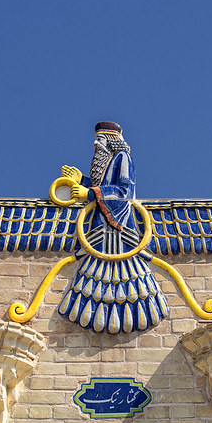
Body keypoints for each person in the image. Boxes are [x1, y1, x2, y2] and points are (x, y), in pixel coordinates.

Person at [57, 122, 169, 334]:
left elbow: (122, 191)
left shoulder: (122, 158)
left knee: (124, 278)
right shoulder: (109, 160)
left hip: (120, 231)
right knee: (93, 276)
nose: (96, 144)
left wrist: (88, 194)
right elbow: (102, 184)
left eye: (100, 140)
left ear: (110, 140)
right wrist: (81, 180)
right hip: (100, 232)